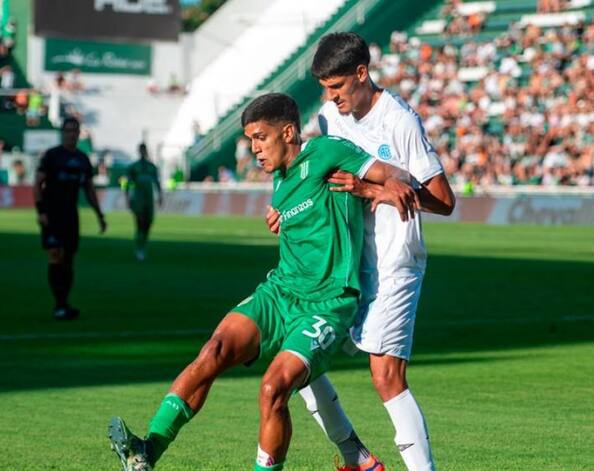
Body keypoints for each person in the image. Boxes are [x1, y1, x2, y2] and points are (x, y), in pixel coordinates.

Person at [107, 93, 421, 471]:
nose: (254, 148)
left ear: (287, 132)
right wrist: (282, 218)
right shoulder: (280, 178)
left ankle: (349, 456)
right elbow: (306, 214)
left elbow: (397, 174)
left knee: (273, 389)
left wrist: (385, 187)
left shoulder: (327, 152)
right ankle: (146, 452)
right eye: (250, 140)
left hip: (327, 302)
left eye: (260, 137)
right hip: (279, 292)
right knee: (213, 351)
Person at [266, 32, 455, 471]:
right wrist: (284, 209)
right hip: (346, 260)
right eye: (324, 89)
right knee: (299, 355)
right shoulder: (329, 118)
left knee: (386, 375)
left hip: (395, 258)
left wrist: (373, 189)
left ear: (362, 73)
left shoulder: (399, 122)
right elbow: (315, 173)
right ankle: (358, 458)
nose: (330, 98)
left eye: (337, 87)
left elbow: (444, 200)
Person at [33, 117, 107, 320]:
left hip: (70, 215)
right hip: (52, 213)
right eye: (68, 130)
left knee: (69, 259)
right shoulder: (52, 156)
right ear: (62, 133)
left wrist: (99, 215)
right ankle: (59, 304)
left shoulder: (82, 159)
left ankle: (64, 302)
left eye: (74, 130)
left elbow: (89, 189)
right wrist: (41, 211)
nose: (71, 134)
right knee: (55, 254)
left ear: (79, 133)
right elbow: (38, 184)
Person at [124, 143, 162, 261]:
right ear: (138, 151)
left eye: (144, 150)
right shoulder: (133, 167)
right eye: (141, 150)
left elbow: (157, 182)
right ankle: (139, 248)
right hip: (138, 199)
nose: (143, 152)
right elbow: (128, 183)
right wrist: (127, 197)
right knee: (140, 222)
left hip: (149, 199)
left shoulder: (152, 167)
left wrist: (160, 196)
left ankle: (142, 245)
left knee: (148, 223)